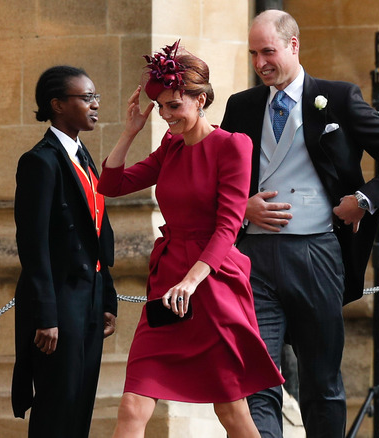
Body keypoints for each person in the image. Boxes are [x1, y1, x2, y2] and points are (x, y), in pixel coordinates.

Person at [220, 10, 379, 438]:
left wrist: (364, 201)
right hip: (252, 259)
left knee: (321, 380)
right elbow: (218, 178)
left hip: (316, 254)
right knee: (257, 377)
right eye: (254, 53)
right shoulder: (241, 106)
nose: (260, 63)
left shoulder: (339, 97)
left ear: (293, 45)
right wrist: (242, 208)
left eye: (268, 51)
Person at [98, 41, 284, 438]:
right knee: (132, 405)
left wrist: (192, 280)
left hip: (212, 285)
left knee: (232, 412)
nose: (166, 116)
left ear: (200, 100)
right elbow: (110, 185)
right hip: (167, 281)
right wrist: (130, 131)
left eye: (174, 106)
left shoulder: (233, 146)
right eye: (161, 107)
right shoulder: (170, 147)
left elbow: (228, 226)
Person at [10, 65, 118, 437]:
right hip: (59, 302)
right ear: (57, 104)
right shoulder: (40, 161)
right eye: (86, 98)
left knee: (81, 401)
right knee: (58, 403)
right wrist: (46, 314)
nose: (95, 105)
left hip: (88, 297)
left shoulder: (83, 157)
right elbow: (33, 243)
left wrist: (107, 300)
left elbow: (97, 234)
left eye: (95, 97)